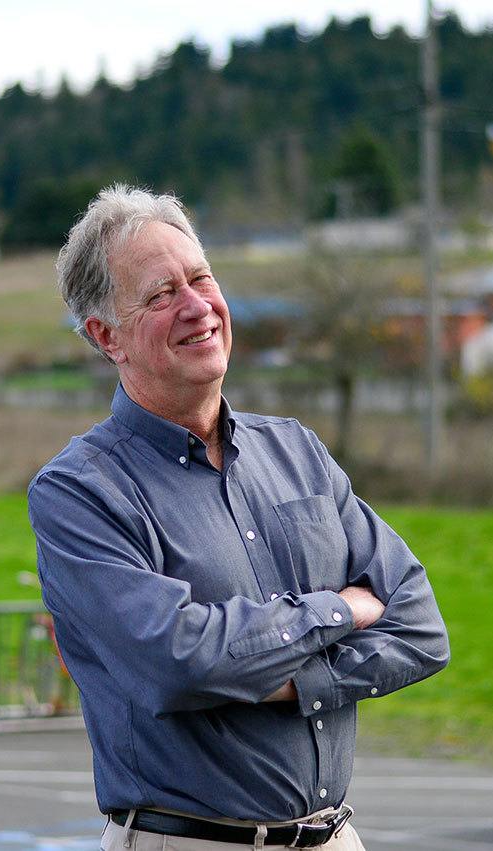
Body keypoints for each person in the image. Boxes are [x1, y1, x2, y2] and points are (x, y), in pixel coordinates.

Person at [28, 185, 449, 850]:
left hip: (336, 836)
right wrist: (336, 611)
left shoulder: (297, 450)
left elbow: (421, 626)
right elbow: (179, 663)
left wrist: (280, 677)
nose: (198, 307)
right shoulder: (80, 493)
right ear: (106, 335)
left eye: (201, 278)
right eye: (161, 294)